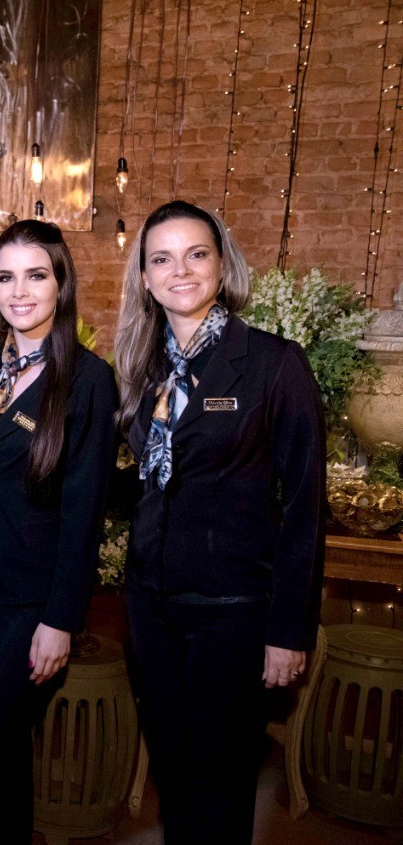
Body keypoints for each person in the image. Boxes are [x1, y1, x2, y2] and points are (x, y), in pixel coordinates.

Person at [113, 200, 324, 843]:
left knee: (221, 785)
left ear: (222, 266)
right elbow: (141, 484)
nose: (180, 271)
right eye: (162, 259)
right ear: (145, 278)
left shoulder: (272, 363)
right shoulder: (141, 367)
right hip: (151, 606)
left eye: (196, 254)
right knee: (174, 778)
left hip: (232, 613)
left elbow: (305, 506)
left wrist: (288, 632)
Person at [0, 220, 118, 842]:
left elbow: (85, 511)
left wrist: (61, 619)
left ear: (61, 284)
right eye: (5, 277)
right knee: (2, 752)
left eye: (36, 276)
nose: (19, 292)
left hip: (26, 602)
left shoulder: (88, 380)